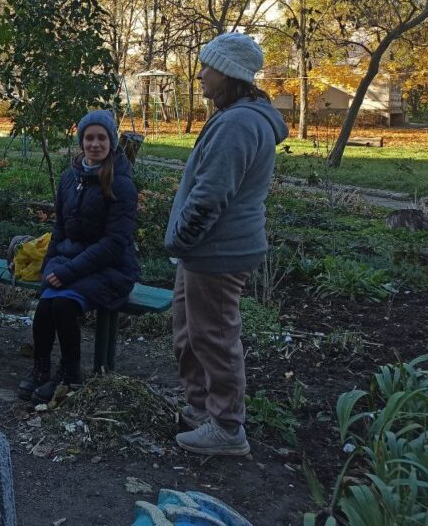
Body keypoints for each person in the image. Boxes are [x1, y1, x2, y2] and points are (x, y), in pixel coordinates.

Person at [166, 32, 288, 456]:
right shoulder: (238, 115)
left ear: (230, 73)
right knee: (189, 332)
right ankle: (201, 408)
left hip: (218, 251)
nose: (200, 75)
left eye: (207, 68)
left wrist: (181, 239)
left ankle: (227, 427)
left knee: (214, 337)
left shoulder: (239, 123)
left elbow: (210, 195)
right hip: (205, 251)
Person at [18, 109, 140, 403]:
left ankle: (70, 374)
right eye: (89, 138)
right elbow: (59, 227)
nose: (94, 144)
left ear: (111, 142)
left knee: (62, 304)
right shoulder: (69, 178)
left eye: (101, 138)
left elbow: (114, 243)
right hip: (71, 262)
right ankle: (41, 369)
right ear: (81, 141)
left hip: (112, 269)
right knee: (46, 306)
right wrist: (49, 266)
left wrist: (68, 272)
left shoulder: (120, 184)